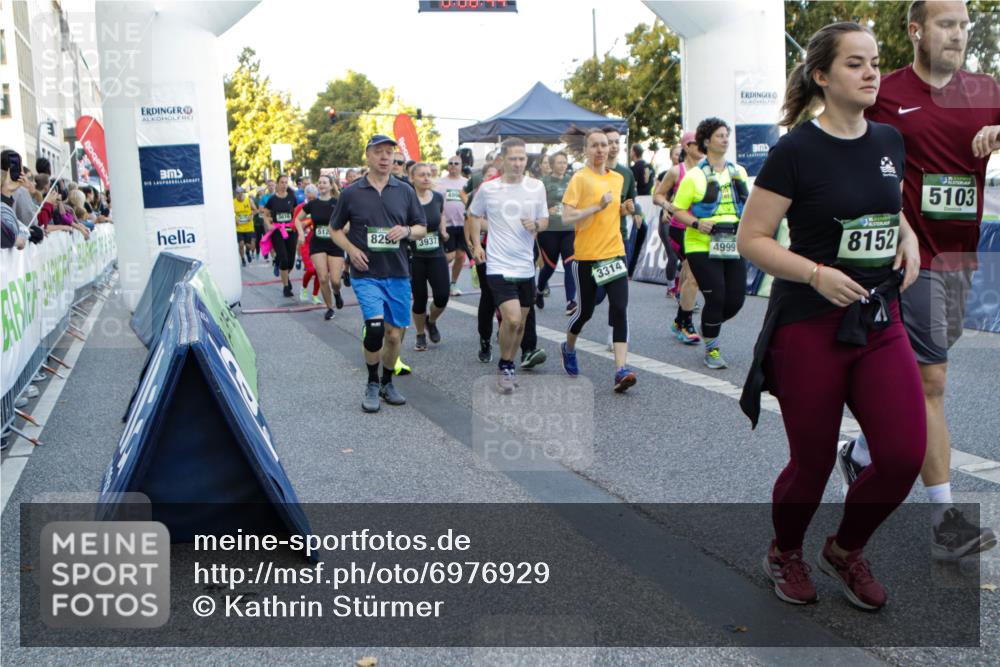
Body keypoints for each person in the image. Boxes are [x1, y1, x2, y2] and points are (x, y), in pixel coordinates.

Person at [739, 21, 924, 611]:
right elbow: (753, 238)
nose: (872, 72)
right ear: (822, 76)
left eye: (875, 61)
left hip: (878, 316)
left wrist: (909, 238)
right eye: (855, 64)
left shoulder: (890, 141)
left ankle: (844, 551)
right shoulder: (795, 150)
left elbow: (887, 210)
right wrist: (816, 273)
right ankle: (785, 550)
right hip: (808, 323)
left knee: (901, 455)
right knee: (812, 462)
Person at [837, 0, 1000, 558]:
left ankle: (861, 451)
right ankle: (946, 521)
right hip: (904, 260)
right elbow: (847, 145)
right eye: (946, 24)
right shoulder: (885, 91)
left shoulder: (986, 91)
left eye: (964, 25)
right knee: (932, 385)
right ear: (915, 30)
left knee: (915, 382)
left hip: (959, 260)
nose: (958, 34)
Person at [330, 135, 427, 412]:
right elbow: (335, 229)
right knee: (374, 329)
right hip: (367, 273)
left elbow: (421, 227)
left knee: (394, 336)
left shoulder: (405, 190)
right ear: (368, 156)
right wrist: (351, 249)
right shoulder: (352, 192)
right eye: (379, 152)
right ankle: (372, 383)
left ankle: (387, 383)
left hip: (397, 272)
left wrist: (407, 231)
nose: (385, 158)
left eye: (389, 153)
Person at [560, 128, 637, 393]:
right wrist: (597, 207)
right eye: (595, 146)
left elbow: (614, 210)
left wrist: (623, 210)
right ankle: (568, 347)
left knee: (619, 308)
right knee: (585, 312)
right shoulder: (580, 179)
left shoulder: (618, 178)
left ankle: (620, 370)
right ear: (586, 150)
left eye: (604, 145)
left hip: (614, 253)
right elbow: (567, 217)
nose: (601, 150)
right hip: (587, 257)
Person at [468, 138, 548, 393]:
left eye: (521, 158)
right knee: (511, 319)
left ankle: (509, 363)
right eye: (512, 158)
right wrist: (476, 246)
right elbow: (472, 215)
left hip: (525, 264)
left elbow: (544, 219)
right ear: (502, 160)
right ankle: (504, 365)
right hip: (498, 263)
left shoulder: (536, 187)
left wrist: (536, 225)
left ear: (526, 160)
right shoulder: (489, 189)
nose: (517, 163)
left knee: (521, 324)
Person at [672, 118, 750, 369]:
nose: (725, 139)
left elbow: (747, 206)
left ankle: (708, 326)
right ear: (707, 141)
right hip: (701, 244)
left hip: (731, 241)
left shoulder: (739, 171)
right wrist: (696, 223)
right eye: (719, 135)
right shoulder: (693, 176)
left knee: (735, 300)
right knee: (716, 297)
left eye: (727, 135)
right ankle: (712, 349)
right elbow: (678, 210)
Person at [653, 130, 703, 344]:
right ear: (686, 146)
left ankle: (679, 320)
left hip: (701, 229)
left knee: (687, 273)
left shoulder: (708, 170)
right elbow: (657, 195)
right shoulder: (676, 171)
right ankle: (686, 324)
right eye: (694, 142)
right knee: (693, 274)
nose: (699, 145)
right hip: (680, 228)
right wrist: (667, 206)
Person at [410, 163, 451, 350]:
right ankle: (420, 334)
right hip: (414, 255)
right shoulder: (407, 199)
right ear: (412, 179)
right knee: (419, 299)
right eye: (421, 175)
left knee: (442, 296)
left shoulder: (437, 197)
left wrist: (443, 229)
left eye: (428, 174)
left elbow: (441, 214)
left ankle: (431, 320)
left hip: (436, 252)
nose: (426, 178)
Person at [296, 174, 345, 320]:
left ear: (330, 186)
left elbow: (348, 220)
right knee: (323, 278)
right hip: (317, 244)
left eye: (325, 182)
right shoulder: (312, 204)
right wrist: (301, 234)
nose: (322, 185)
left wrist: (346, 228)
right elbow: (298, 220)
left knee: (335, 281)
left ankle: (336, 293)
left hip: (335, 244)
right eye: (320, 182)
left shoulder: (337, 203)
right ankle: (330, 308)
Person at [537, 151, 577, 315]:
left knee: (570, 264)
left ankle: (570, 301)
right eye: (559, 162)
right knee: (550, 267)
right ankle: (539, 290)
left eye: (564, 162)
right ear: (552, 165)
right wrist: (547, 209)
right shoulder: (543, 182)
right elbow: (535, 205)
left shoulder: (573, 180)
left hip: (569, 229)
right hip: (549, 230)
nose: (562, 165)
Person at [435, 155, 470, 297]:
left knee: (461, 256)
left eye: (456, 163)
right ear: (447, 165)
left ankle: (453, 284)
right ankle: (436, 276)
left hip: (464, 224)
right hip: (447, 224)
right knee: (449, 256)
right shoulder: (440, 183)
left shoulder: (467, 183)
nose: (453, 165)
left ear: (461, 166)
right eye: (451, 163)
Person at [262, 174, 300, 297]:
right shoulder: (272, 199)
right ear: (277, 184)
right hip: (277, 231)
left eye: (286, 182)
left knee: (290, 261)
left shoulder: (292, 197)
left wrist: (298, 224)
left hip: (290, 231)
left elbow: (297, 213)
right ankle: (286, 286)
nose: (284, 185)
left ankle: (281, 267)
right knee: (284, 258)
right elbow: (265, 214)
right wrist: (269, 224)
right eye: (282, 182)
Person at [233, 186, 257, 266]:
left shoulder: (248, 200)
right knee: (241, 244)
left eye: (241, 193)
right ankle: (243, 259)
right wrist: (235, 218)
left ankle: (247, 252)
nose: (239, 195)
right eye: (238, 193)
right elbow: (231, 213)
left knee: (248, 245)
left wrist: (251, 215)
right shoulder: (233, 202)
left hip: (248, 227)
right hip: (239, 228)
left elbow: (255, 210)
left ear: (243, 193)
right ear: (236, 194)